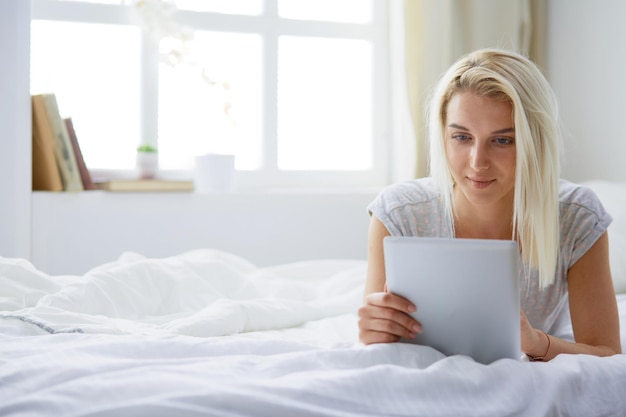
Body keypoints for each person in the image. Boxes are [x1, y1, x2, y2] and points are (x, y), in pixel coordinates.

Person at [358, 48, 622, 361]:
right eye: (461, 137)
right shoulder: (401, 213)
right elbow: (377, 342)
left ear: (534, 142)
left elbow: (606, 354)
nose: (477, 162)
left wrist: (537, 342)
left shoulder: (576, 216)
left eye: (502, 140)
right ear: (443, 135)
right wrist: (373, 329)